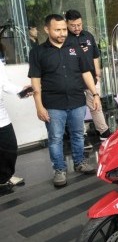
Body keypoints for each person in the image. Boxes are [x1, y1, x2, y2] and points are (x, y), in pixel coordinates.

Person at [28, 14, 100, 187]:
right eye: (57, 30)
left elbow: (85, 72)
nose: (62, 33)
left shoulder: (75, 46)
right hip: (53, 104)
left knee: (77, 134)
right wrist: (38, 106)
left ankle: (79, 162)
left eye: (63, 29)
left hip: (77, 100)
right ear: (47, 30)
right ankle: (59, 169)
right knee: (55, 138)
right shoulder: (38, 52)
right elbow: (35, 81)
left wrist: (95, 94)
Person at [65, 9, 111, 141]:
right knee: (77, 110)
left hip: (91, 78)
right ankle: (80, 136)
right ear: (67, 23)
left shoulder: (88, 36)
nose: (77, 28)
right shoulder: (65, 39)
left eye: (79, 24)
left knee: (96, 105)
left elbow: (95, 55)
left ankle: (104, 132)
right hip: (74, 80)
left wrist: (97, 72)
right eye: (73, 25)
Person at [0, 62, 30, 195]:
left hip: (1, 115)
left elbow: (5, 84)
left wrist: (20, 90)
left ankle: (5, 177)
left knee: (10, 147)